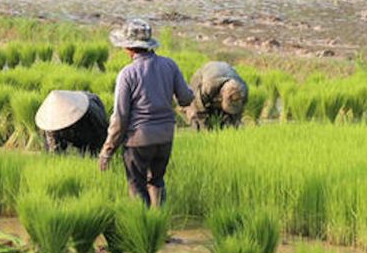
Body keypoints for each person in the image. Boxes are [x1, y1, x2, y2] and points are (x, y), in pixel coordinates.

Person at [98, 19, 193, 208]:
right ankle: (159, 231)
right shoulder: (170, 66)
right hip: (165, 137)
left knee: (137, 185)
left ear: (129, 48)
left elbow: (120, 117)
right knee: (157, 181)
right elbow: (186, 98)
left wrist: (107, 151)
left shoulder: (127, 74)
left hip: (138, 140)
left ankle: (143, 229)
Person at [35, 90, 108, 155]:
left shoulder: (91, 116)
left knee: (91, 154)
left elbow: (98, 143)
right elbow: (53, 151)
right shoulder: (51, 123)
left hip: (90, 126)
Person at [185, 61, 249, 130]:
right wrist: (205, 127)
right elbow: (200, 110)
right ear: (221, 96)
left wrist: (235, 125)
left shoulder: (243, 90)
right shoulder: (208, 87)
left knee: (230, 121)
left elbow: (238, 113)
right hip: (203, 76)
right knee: (197, 117)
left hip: (225, 73)